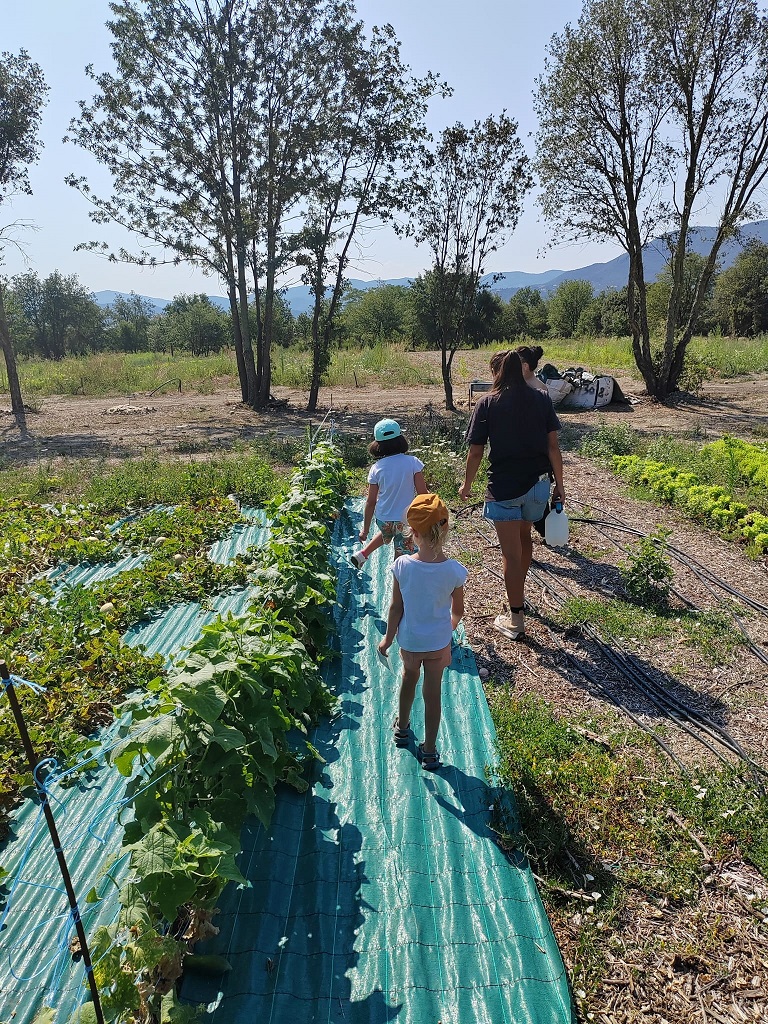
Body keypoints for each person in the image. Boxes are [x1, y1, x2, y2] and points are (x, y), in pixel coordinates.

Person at [459, 350, 565, 641]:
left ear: (496, 372)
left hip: (504, 489)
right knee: (524, 539)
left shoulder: (488, 403)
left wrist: (467, 485)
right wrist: (560, 486)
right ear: (522, 370)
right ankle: (517, 592)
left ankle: (515, 618)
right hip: (537, 487)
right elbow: (553, 447)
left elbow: (476, 451)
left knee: (510, 553)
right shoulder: (541, 399)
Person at [377, 493, 467, 771]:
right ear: (446, 528)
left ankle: (402, 728)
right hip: (438, 644)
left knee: (409, 678)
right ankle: (429, 750)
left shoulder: (402, 566)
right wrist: (447, 629)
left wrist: (387, 639)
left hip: (411, 642)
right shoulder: (454, 571)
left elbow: (395, 608)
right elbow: (458, 611)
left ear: (412, 533)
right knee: (433, 694)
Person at [351, 418, 427, 569]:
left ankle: (363, 554)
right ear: (401, 440)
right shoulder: (412, 462)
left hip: (384, 519)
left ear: (377, 445)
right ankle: (398, 583)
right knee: (402, 556)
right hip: (405, 519)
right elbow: (422, 493)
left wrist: (365, 530)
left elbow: (371, 501)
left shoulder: (376, 468)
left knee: (388, 533)